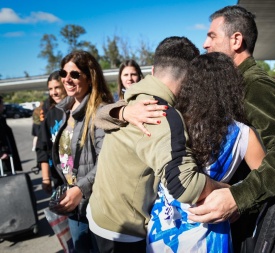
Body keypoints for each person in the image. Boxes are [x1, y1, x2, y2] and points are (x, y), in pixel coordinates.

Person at [188, 5, 275, 251]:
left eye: (212, 36)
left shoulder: (254, 84)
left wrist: (240, 196)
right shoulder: (231, 82)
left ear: (236, 40)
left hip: (252, 222)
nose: (204, 44)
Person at [88, 37, 225, 253]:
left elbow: (99, 117)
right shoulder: (159, 114)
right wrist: (228, 190)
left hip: (100, 215)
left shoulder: (136, 98)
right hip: (124, 231)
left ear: (152, 71)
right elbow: (185, 185)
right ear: (190, 77)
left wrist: (122, 110)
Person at [147, 52, 265, 252]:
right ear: (231, 88)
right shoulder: (243, 134)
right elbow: (265, 181)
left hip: (162, 228)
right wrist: (238, 198)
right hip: (209, 235)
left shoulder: (169, 120)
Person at [47, 51, 113, 253]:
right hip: (75, 207)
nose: (67, 79)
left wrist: (80, 189)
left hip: (97, 203)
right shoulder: (63, 111)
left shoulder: (101, 112)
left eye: (74, 74)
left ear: (90, 77)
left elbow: (107, 160)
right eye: (63, 73)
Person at [36, 70, 67, 194]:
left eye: (57, 87)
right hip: (59, 180)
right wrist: (46, 178)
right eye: (50, 89)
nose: (54, 92)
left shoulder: (77, 111)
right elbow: (42, 148)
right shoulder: (50, 115)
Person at [0, 96, 23, 173]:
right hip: (3, 159)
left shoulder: (1, 118)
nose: (3, 106)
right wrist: (1, 152)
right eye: (2, 103)